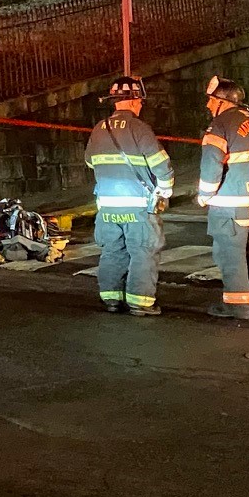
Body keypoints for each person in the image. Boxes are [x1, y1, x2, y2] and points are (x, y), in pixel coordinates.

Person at [84, 75, 175, 316]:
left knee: (113, 251)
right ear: (134, 100)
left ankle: (111, 299)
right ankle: (140, 302)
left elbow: (90, 162)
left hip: (107, 208)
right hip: (137, 206)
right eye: (140, 100)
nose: (141, 105)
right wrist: (165, 190)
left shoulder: (99, 128)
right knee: (143, 251)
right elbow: (160, 164)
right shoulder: (139, 128)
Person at [197, 76, 249, 319]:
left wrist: (204, 195)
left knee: (231, 255)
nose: (208, 106)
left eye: (211, 101)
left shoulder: (219, 126)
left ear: (223, 101)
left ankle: (238, 306)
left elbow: (212, 165)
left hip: (230, 206)